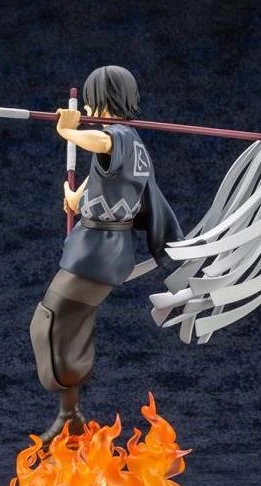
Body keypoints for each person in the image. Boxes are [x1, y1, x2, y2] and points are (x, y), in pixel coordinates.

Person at [30, 66, 183, 444]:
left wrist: (67, 130)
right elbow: (105, 174)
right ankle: (70, 415)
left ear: (104, 98)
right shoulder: (132, 143)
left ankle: (69, 415)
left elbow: (101, 144)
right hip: (100, 248)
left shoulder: (119, 137)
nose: (85, 107)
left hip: (98, 252)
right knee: (67, 324)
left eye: (90, 99)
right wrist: (76, 199)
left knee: (49, 322)